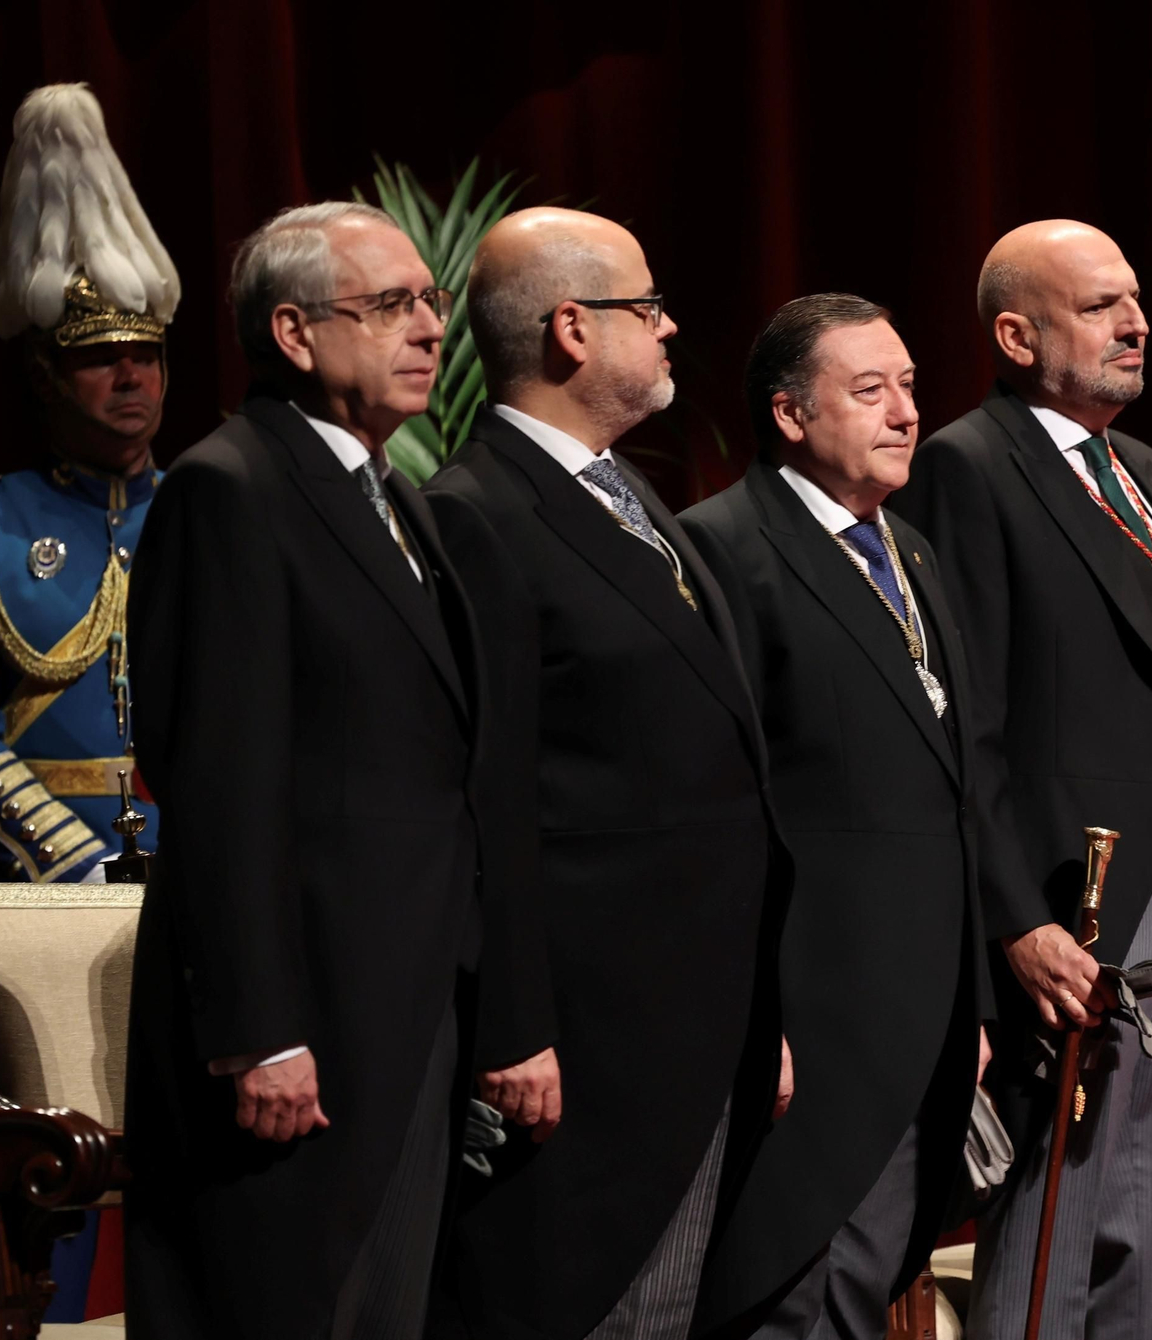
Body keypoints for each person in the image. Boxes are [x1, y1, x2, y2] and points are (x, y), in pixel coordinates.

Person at [122, 200, 545, 1340]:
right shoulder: (234, 488)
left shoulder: (396, 496)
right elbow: (216, 778)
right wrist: (260, 1026)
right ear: (295, 333)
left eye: (431, 301)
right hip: (299, 1025)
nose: (426, 329)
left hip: (408, 1010)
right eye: (389, 305)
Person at [893, 220, 1152, 1340]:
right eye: (1102, 304)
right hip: (1072, 901)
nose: (1137, 322)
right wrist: (1012, 915)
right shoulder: (968, 463)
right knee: (1055, 1225)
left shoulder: (1142, 467)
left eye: (1137, 299)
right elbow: (969, 721)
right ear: (1016, 334)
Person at [423, 207, 788, 1340]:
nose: (672, 327)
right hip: (585, 1034)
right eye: (649, 307)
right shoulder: (474, 513)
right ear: (573, 329)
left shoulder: (632, 498)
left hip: (695, 1013)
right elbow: (489, 796)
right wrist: (511, 1026)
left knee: (666, 1309)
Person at [677, 294, 991, 1340]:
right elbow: (723, 811)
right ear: (790, 414)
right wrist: (750, 1018)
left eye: (906, 385)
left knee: (861, 1292)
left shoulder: (909, 548)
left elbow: (956, 787)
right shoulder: (721, 549)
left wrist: (974, 1000)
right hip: (809, 1019)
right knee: (793, 1297)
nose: (905, 411)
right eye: (869, 390)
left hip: (923, 1017)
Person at [0, 82, 178, 887]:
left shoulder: (209, 509)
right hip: (37, 885)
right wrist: (75, 863)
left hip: (202, 875)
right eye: (98, 358)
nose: (130, 376)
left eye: (146, 356)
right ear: (46, 376)